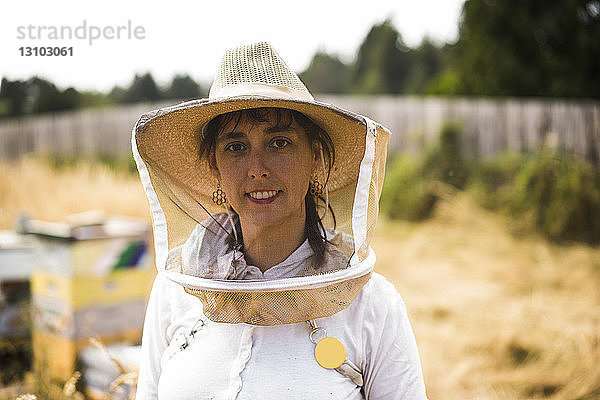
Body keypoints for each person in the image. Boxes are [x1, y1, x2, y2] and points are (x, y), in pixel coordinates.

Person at [132, 42, 428, 399]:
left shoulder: (373, 306)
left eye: (279, 143)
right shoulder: (174, 292)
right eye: (236, 147)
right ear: (215, 167)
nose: (257, 170)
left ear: (314, 158)